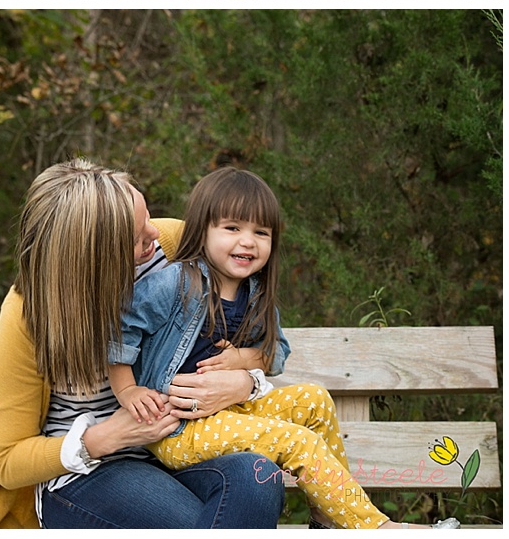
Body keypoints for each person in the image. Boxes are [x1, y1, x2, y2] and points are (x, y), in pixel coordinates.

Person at [108, 168, 460, 530]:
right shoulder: (176, 282)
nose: (248, 242)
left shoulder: (255, 293)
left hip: (230, 410)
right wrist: (128, 390)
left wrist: (243, 359)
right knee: (296, 441)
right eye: (232, 228)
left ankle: (330, 517)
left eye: (261, 232)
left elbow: (278, 352)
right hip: (178, 427)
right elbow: (121, 330)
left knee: (316, 400)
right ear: (202, 229)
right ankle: (377, 529)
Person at [0, 159, 286, 528]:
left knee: (259, 477)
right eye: (139, 237)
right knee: (190, 524)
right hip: (90, 475)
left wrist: (244, 380)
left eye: (148, 219)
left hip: (177, 447)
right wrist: (106, 437)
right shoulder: (29, 314)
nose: (154, 234)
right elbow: (8, 461)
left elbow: (255, 319)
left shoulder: (171, 247)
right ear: (95, 257)